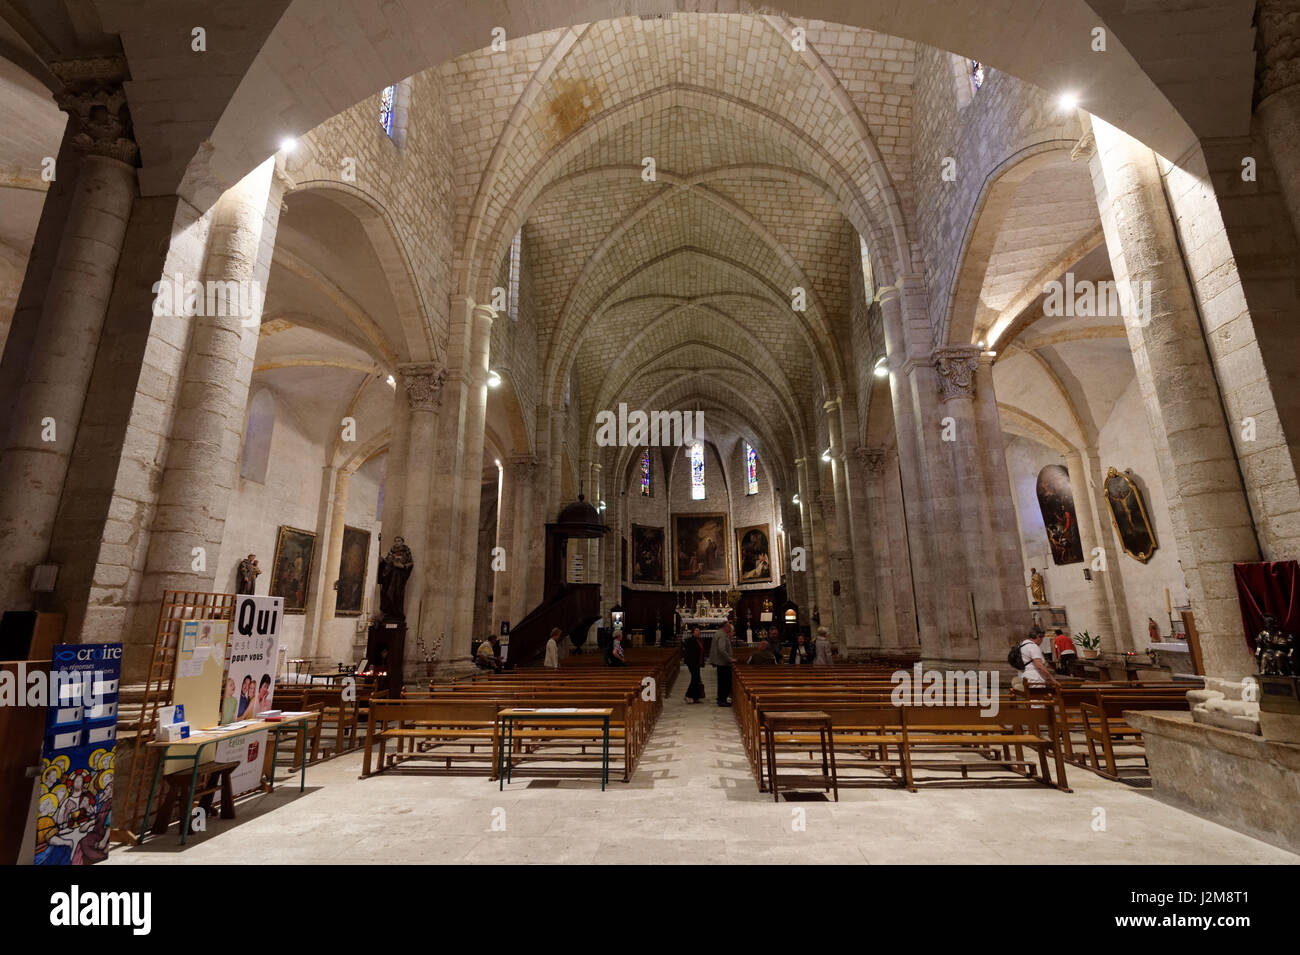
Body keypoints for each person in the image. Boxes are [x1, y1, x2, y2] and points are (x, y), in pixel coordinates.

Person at [709, 622, 735, 706]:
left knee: (721, 682)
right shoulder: (722, 635)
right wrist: (730, 659)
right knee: (725, 682)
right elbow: (722, 650)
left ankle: (721, 698)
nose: (730, 630)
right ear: (726, 627)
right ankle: (722, 700)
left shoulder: (718, 633)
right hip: (723, 662)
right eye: (729, 628)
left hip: (721, 662)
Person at [683, 627, 706, 703]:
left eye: (699, 631)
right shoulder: (690, 640)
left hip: (696, 663)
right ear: (693, 632)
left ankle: (696, 697)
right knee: (695, 679)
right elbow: (689, 653)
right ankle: (688, 695)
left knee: (697, 679)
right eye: (696, 630)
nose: (698, 632)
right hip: (692, 663)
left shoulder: (697, 640)